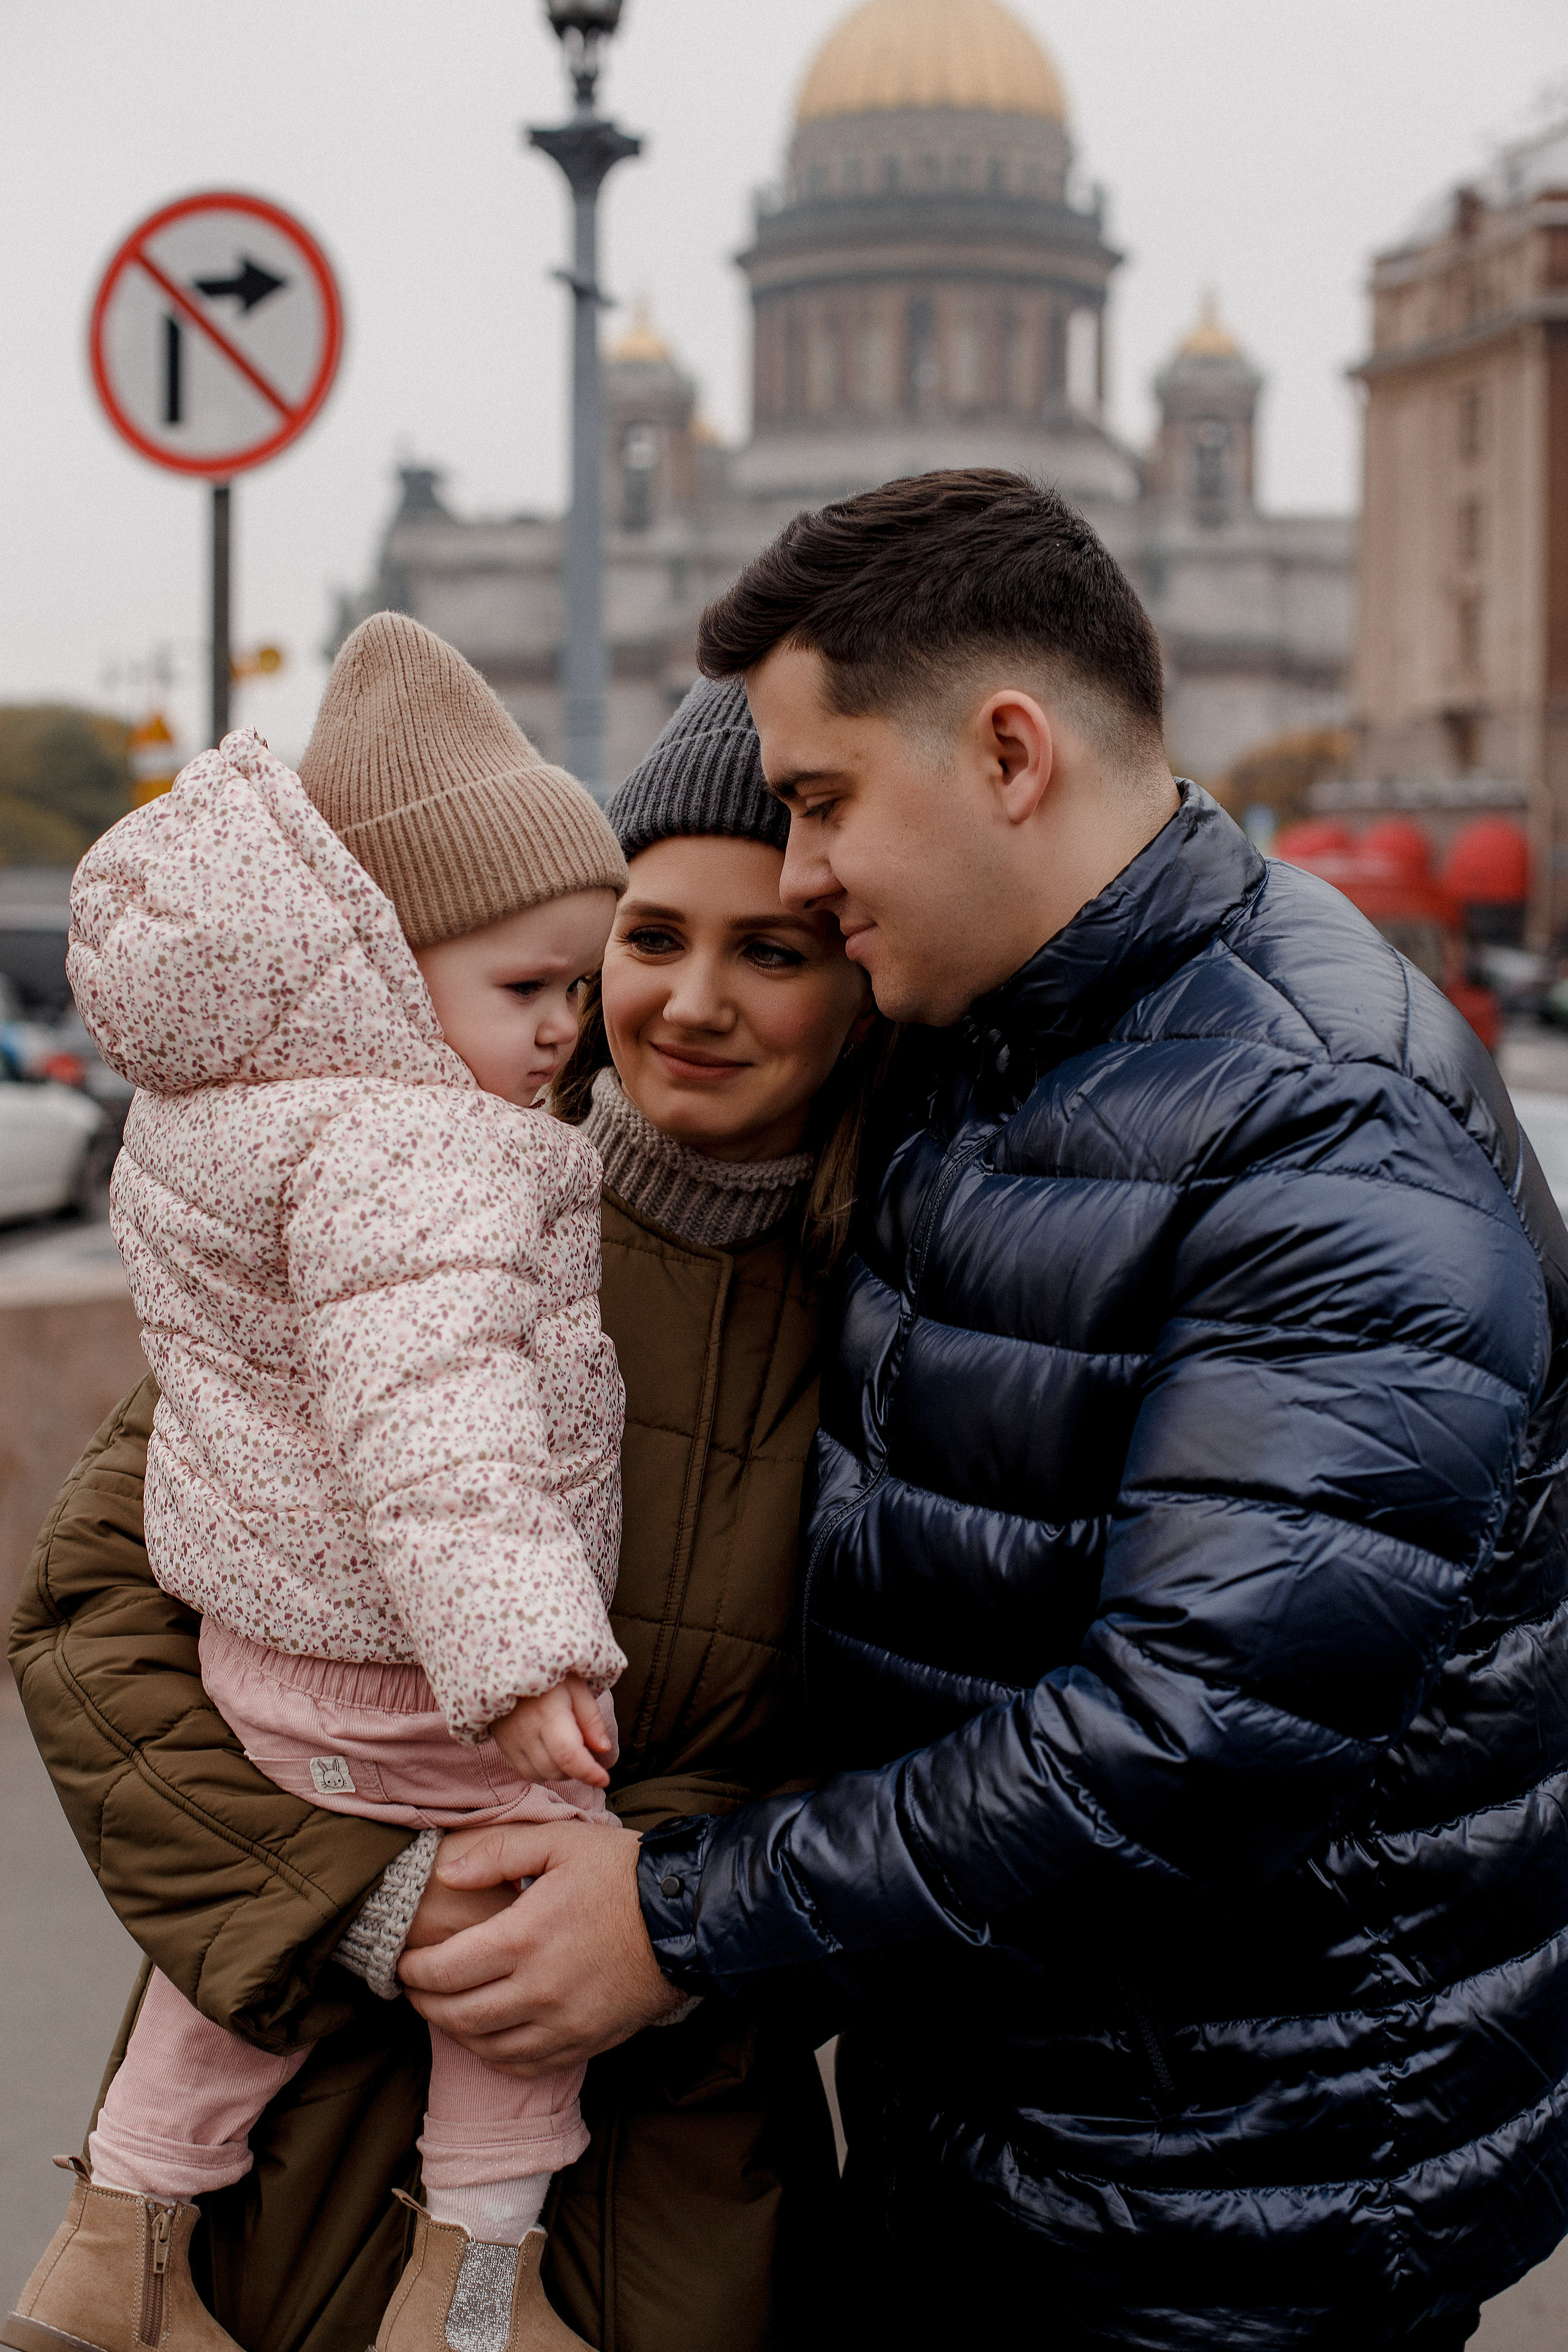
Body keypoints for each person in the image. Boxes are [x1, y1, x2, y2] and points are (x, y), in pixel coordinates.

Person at [395, 473, 1568, 2351]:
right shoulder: (998, 1047)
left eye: (821, 799)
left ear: (1011, 754)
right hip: (1023, 2138)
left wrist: (676, 1919)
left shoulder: (1322, 1126)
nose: (796, 873)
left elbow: (1193, 1742)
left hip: (1224, 2215)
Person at [10, 673, 878, 2352]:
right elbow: (89, 1623)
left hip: (680, 2197)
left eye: (774, 950)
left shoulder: (926, 1317)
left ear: (861, 981)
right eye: (646, 939)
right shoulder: (400, 1211)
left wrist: (674, 1914)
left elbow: (977, 1780)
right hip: (289, 2177)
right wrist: (358, 1894)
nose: (691, 1001)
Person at [13, 611, 637, 2352]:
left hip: (270, 1668)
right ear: (377, 962)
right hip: (414, 1671)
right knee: (538, 1916)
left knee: (240, 1978)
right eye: (526, 989)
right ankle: (474, 2297)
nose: (564, 1033)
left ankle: (119, 2241)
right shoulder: (419, 1148)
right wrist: (526, 1660)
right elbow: (435, 1419)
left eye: (576, 990)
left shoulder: (228, 1118)